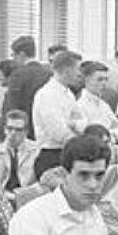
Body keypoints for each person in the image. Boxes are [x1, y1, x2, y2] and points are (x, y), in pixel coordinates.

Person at [31, 49, 83, 178]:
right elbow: (58, 132)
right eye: (77, 69)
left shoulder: (68, 94)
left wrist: (72, 124)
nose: (79, 74)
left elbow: (82, 121)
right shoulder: (47, 95)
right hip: (51, 156)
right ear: (67, 70)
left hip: (67, 153)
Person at [3, 35, 52, 136]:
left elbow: (12, 107)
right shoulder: (49, 74)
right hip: (45, 130)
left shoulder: (18, 75)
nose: (13, 59)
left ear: (21, 54)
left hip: (23, 131)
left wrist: (2, 134)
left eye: (14, 55)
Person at [73, 61, 118, 142]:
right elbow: (91, 136)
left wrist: (110, 133)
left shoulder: (103, 105)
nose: (104, 83)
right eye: (100, 79)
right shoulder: (79, 105)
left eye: (106, 79)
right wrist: (113, 132)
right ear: (87, 80)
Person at [0, 109, 37, 194]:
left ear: (26, 132)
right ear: (5, 129)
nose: (13, 133)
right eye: (10, 128)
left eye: (18, 130)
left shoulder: (36, 151)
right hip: (3, 197)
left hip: (28, 196)